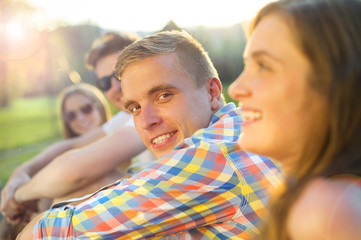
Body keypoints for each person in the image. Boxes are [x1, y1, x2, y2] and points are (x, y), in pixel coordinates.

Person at [18, 30, 282, 239]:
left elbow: (40, 234)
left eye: (164, 95)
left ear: (213, 92)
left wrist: (18, 198)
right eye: (134, 107)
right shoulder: (238, 127)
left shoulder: (212, 157)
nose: (146, 121)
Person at [228, 0, 361, 239]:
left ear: (334, 83)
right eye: (247, 65)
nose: (236, 89)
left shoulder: (328, 208)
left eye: (263, 66)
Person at [0, 31, 156, 225]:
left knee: (90, 182)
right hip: (149, 209)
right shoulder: (127, 116)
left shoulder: (150, 114)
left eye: (120, 73)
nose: (115, 87)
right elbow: (71, 146)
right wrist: (20, 174)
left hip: (163, 216)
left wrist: (20, 195)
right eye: (105, 82)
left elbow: (75, 171)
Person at [0, 83, 111, 239]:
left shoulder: (119, 135)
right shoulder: (66, 153)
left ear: (99, 106)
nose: (81, 118)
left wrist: (20, 195)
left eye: (86, 109)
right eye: (71, 115)